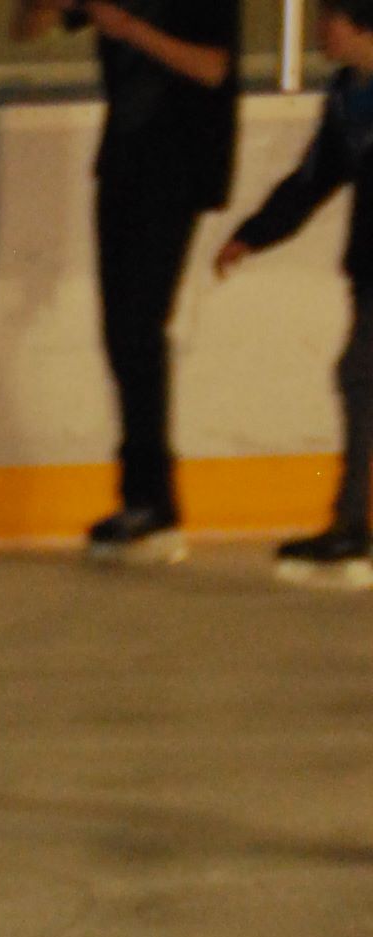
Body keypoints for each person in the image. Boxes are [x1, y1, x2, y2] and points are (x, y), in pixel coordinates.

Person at [16, 0, 243, 558]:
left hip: (179, 163)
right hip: (122, 159)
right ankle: (141, 499)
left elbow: (214, 67)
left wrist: (133, 30)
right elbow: (27, 29)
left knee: (139, 327)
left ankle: (155, 505)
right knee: (121, 332)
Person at [215, 4, 373, 582]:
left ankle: (352, 526)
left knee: (359, 376)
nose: (317, 33)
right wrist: (253, 235)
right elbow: (314, 178)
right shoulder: (347, 94)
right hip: (368, 267)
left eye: (329, 20)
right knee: (359, 379)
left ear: (360, 26)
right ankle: (350, 524)